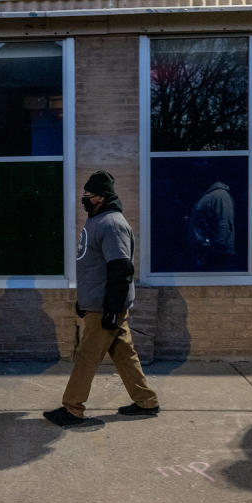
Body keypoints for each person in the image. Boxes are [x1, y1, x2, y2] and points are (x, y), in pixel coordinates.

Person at [44, 170, 160, 427]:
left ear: (101, 196)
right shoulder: (97, 220)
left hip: (106, 306)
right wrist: (84, 299)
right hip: (98, 303)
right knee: (123, 353)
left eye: (88, 194)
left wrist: (111, 309)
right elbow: (93, 266)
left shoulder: (112, 224)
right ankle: (146, 401)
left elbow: (121, 270)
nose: (84, 198)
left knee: (86, 356)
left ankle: (72, 409)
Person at [189, 181, 235, 270]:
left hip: (217, 256)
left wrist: (215, 250)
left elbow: (224, 224)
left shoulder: (220, 195)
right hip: (208, 253)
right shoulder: (210, 195)